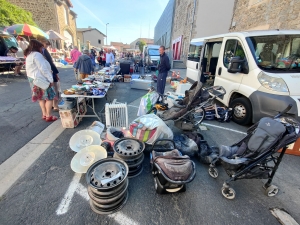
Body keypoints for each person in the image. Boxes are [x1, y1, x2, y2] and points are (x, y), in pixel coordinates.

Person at [24, 40, 57, 122]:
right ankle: (49, 115)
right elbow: (43, 69)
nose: (43, 49)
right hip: (41, 79)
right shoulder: (37, 55)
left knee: (40, 97)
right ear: (38, 47)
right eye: (42, 47)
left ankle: (44, 114)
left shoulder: (29, 55)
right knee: (49, 97)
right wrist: (50, 79)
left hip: (33, 79)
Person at [41, 40, 60, 111]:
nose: (47, 46)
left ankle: (49, 109)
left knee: (46, 92)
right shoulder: (42, 51)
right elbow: (50, 63)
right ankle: (54, 106)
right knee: (54, 90)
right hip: (48, 74)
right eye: (46, 44)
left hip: (43, 75)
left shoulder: (37, 52)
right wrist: (55, 73)